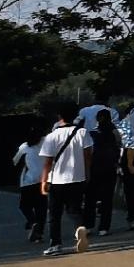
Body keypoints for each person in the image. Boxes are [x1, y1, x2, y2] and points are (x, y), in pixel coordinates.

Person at [37, 104, 93, 257]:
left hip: (57, 180)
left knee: (54, 214)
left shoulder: (51, 136)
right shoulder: (83, 133)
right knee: (75, 210)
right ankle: (80, 229)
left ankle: (55, 244)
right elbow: (88, 156)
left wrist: (44, 181)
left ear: (59, 116)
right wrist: (87, 174)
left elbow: (48, 162)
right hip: (78, 178)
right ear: (75, 115)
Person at [83, 107, 123, 238]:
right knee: (107, 198)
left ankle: (88, 225)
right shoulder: (115, 133)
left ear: (97, 119)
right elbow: (119, 147)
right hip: (110, 168)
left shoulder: (91, 133)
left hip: (94, 168)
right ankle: (104, 227)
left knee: (90, 198)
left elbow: (88, 152)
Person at [13, 124, 46, 243]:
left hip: (27, 181)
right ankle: (39, 234)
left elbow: (15, 161)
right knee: (41, 208)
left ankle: (32, 222)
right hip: (43, 180)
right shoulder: (45, 143)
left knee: (24, 206)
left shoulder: (24, 147)